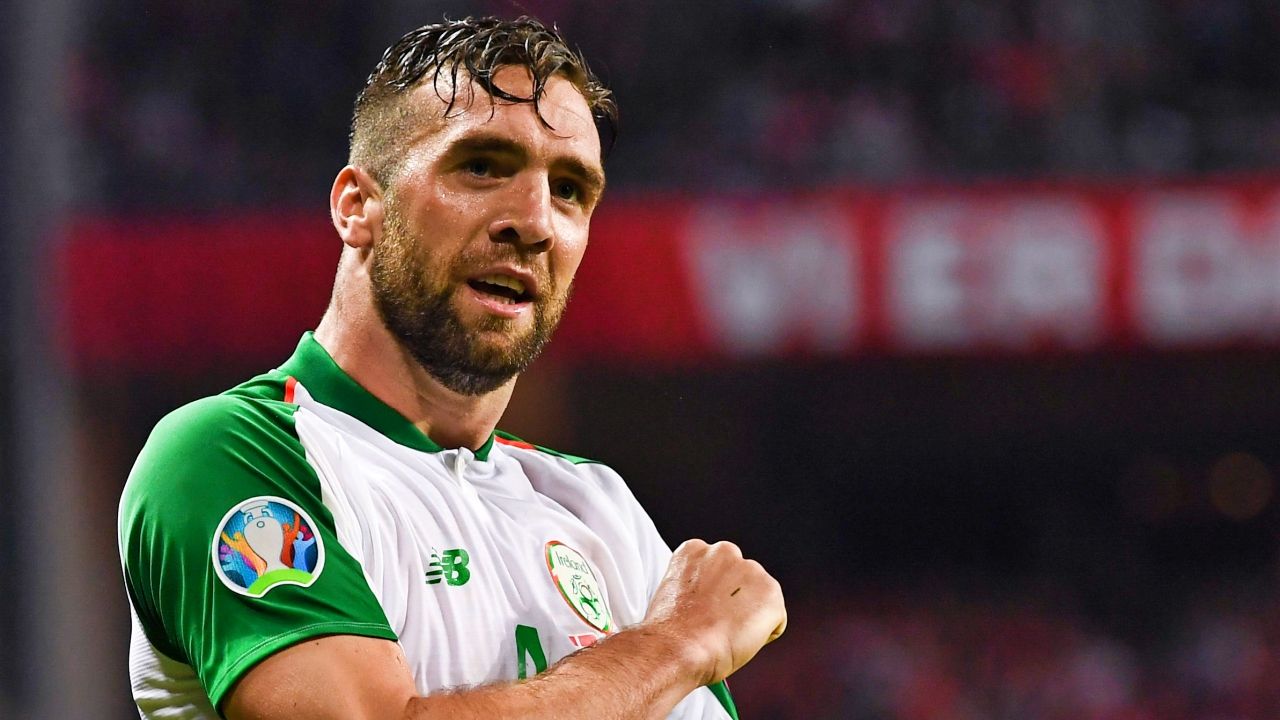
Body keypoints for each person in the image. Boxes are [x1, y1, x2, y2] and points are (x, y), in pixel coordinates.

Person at [118, 16, 786, 720]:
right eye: (483, 167)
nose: (534, 223)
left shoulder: (598, 509)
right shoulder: (234, 455)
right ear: (357, 206)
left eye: (569, 189)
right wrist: (673, 645)